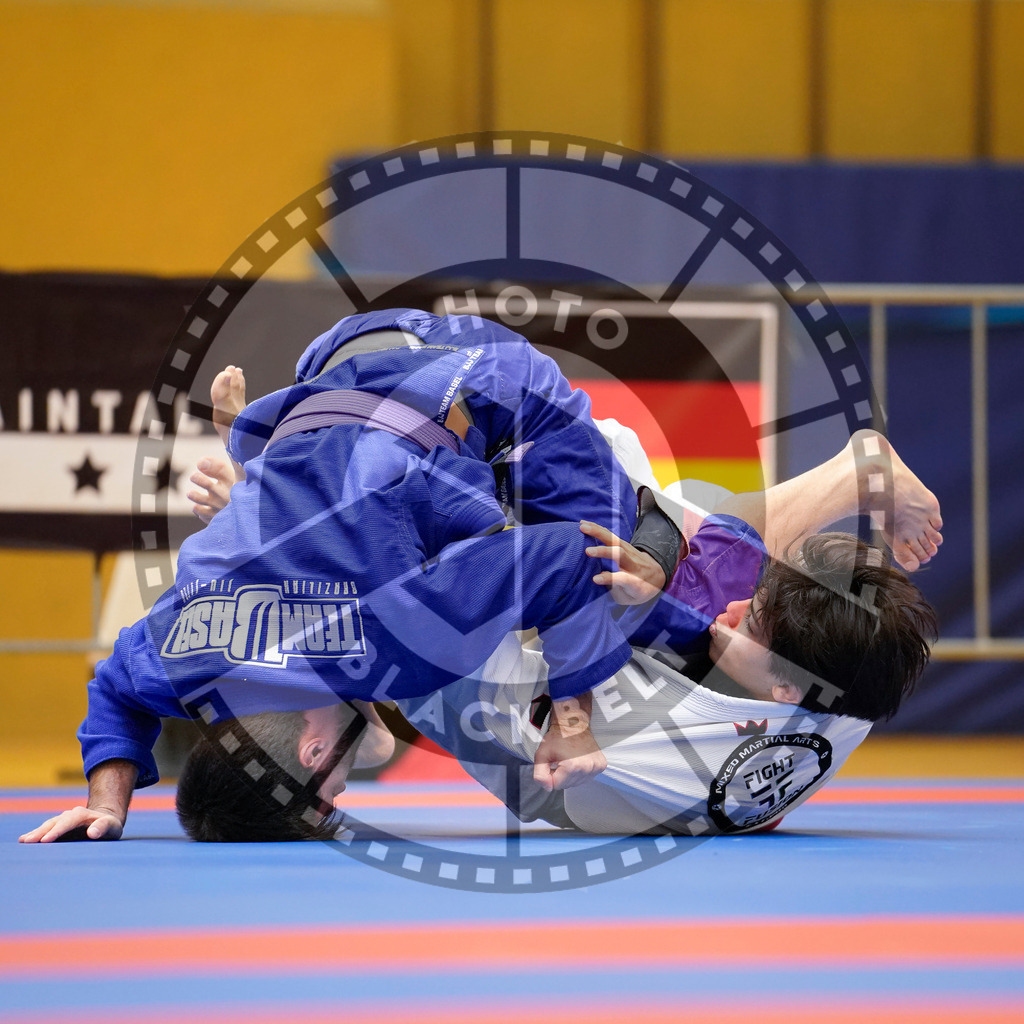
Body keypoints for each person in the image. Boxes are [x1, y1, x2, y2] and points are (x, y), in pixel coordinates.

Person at [20, 309, 655, 844]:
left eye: (327, 798)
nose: (342, 795)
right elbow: (112, 689)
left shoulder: (396, 628)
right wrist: (107, 804)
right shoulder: (185, 655)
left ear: (312, 755)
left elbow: (575, 558)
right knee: (337, 516)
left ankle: (640, 507)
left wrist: (573, 728)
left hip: (473, 370)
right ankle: (249, 455)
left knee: (616, 550)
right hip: (322, 371)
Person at [170, 423, 940, 840]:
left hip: (594, 694)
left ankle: (845, 475)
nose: (342, 794)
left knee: (678, 570)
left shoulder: (457, 664)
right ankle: (844, 475)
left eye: (329, 790)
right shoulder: (842, 696)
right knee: (704, 574)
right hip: (640, 695)